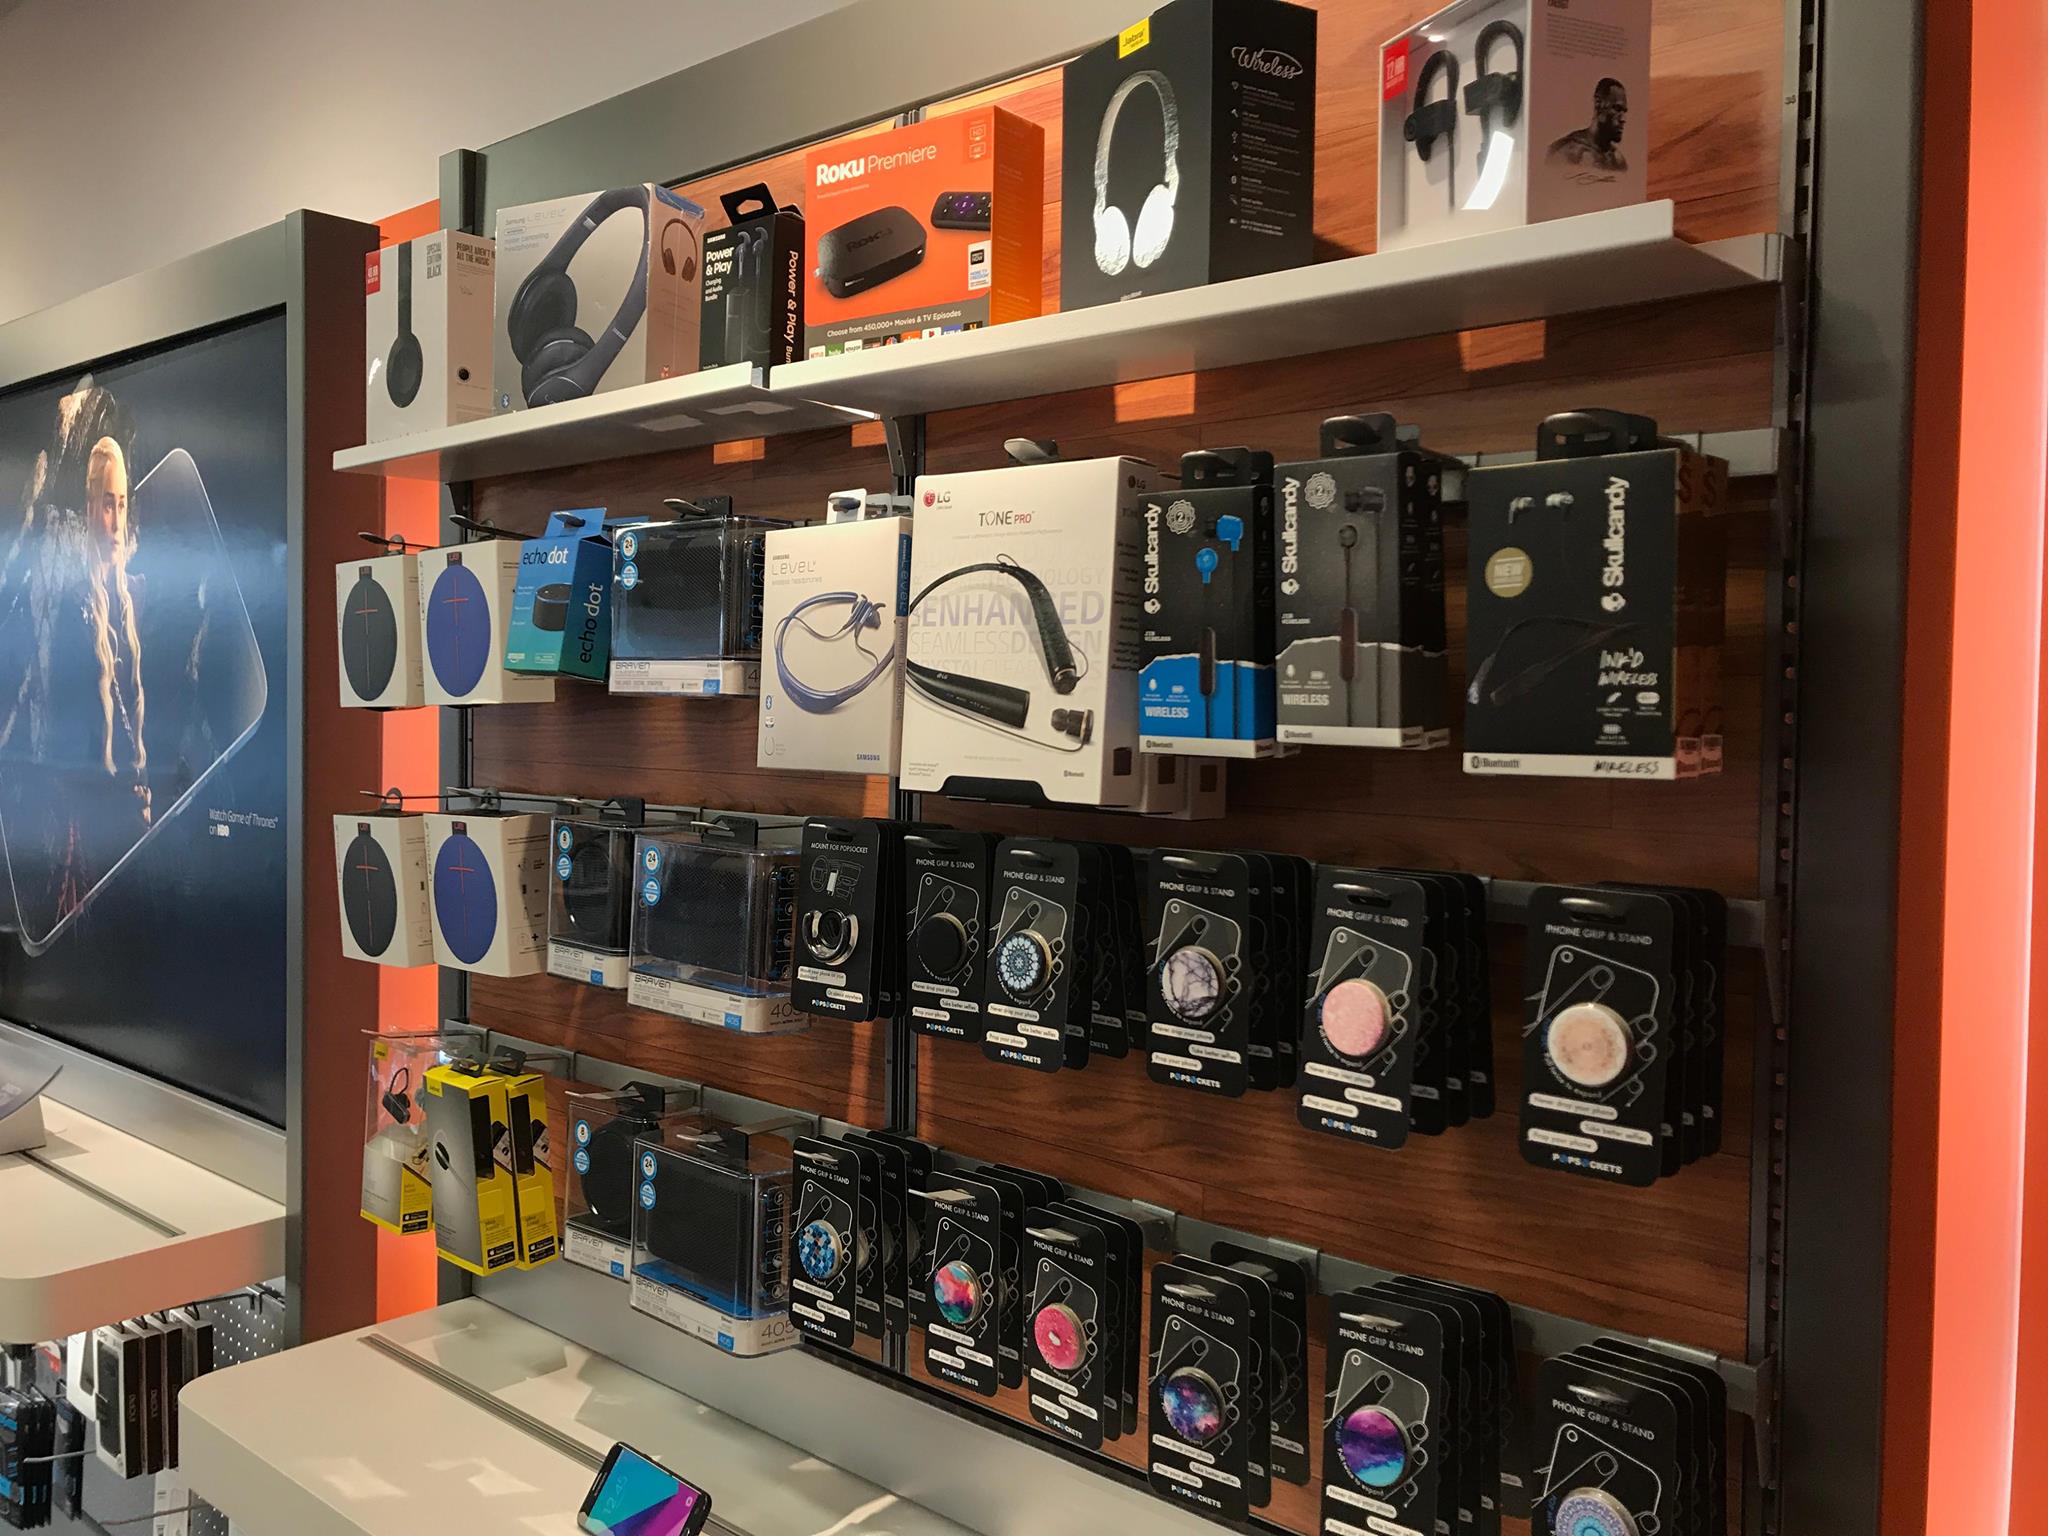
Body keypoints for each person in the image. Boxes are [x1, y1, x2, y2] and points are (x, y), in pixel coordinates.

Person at [0, 382, 150, 937]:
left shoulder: (130, 596)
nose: (113, 520)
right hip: (63, 844)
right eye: (104, 504)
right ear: (86, 507)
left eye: (121, 504)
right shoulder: (62, 597)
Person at [1548, 78, 1630, 173]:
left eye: (1624, 112)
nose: (1623, 119)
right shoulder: (1566, 152)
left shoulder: (1619, 161)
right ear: (1598, 104)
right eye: (1617, 109)